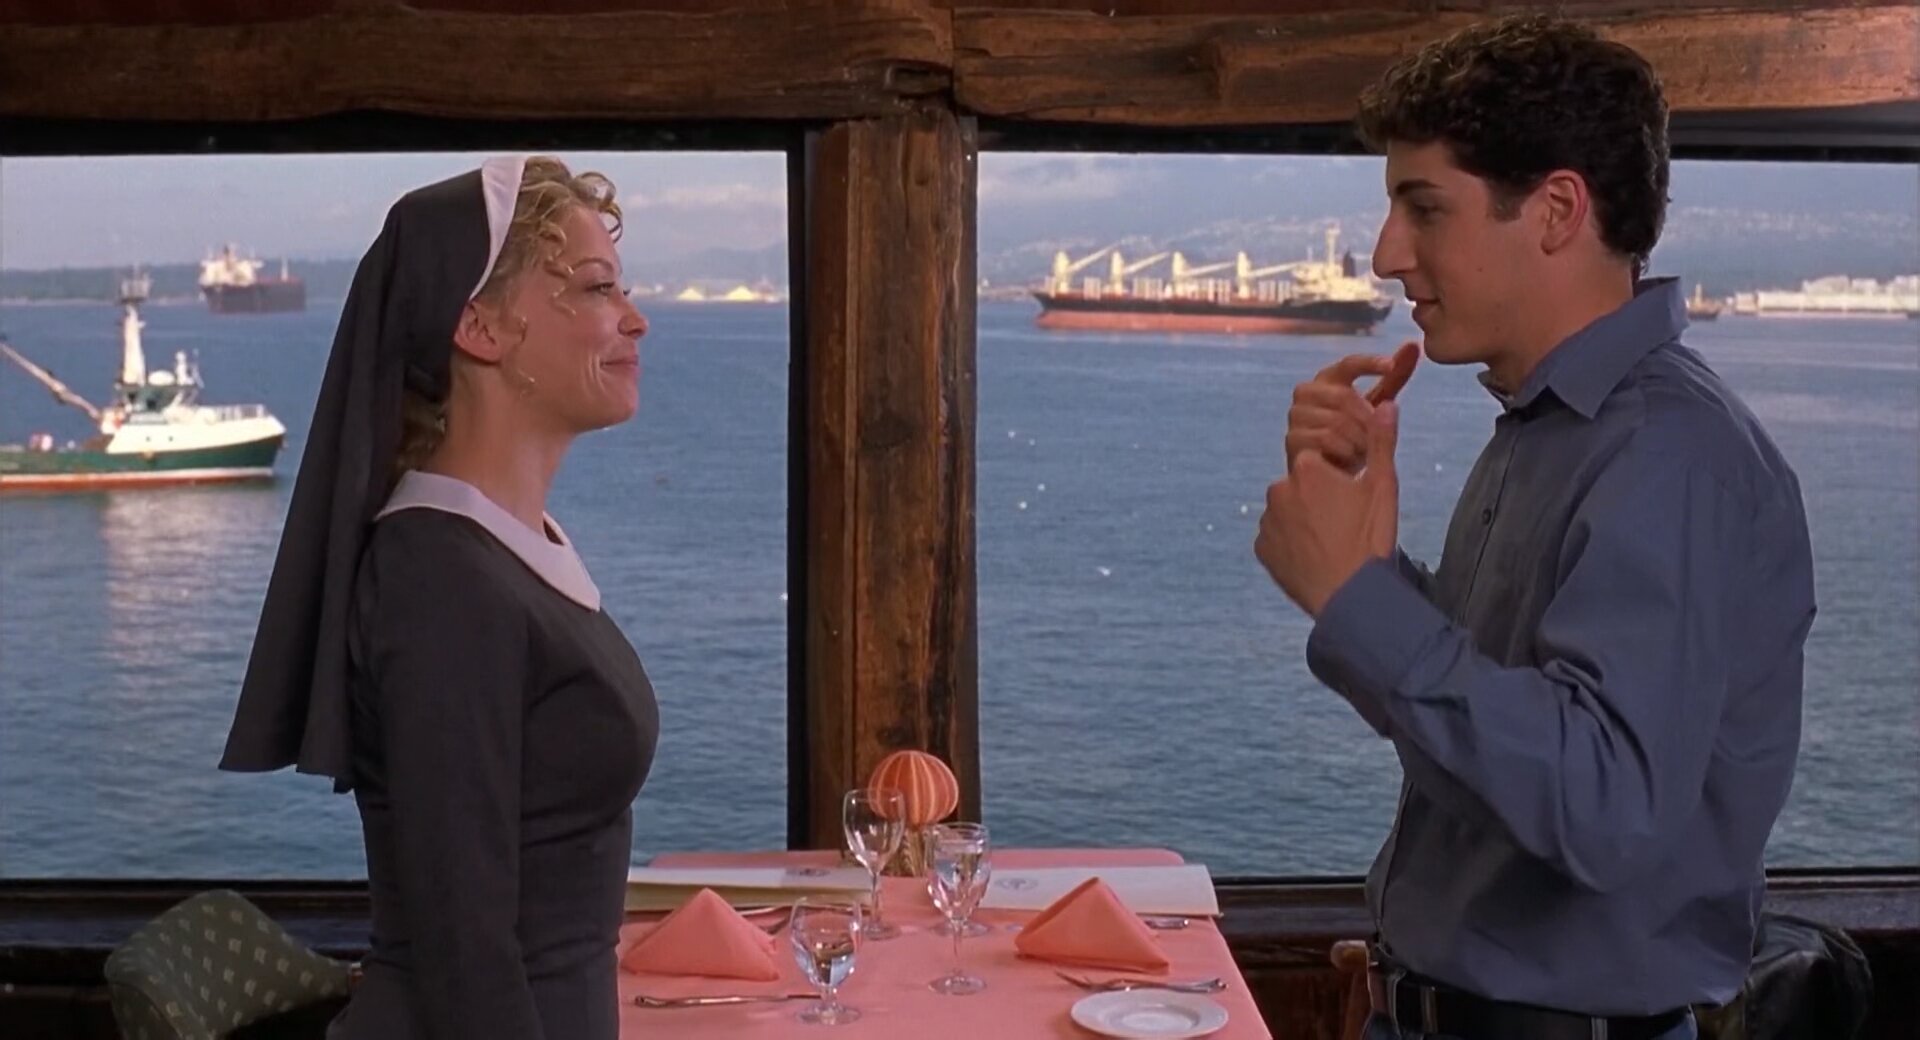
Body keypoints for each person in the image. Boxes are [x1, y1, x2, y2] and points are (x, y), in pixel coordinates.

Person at [1253, 15, 1815, 1040]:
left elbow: (1603, 805)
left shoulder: (1670, 456)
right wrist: (1370, 570)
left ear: (1557, 209)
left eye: (1424, 208)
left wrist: (1355, 599)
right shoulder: (1554, 430)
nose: (1384, 255)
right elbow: (1500, 735)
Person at [220, 155, 660, 1040]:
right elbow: (467, 956)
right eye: (596, 287)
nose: (634, 317)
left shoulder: (503, 549)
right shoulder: (442, 581)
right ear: (480, 327)